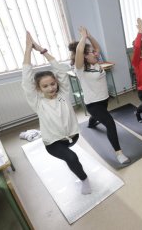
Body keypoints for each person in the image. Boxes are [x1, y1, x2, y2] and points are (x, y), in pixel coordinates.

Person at [22, 32, 91, 195]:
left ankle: (73, 165)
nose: (51, 88)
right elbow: (26, 79)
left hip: (72, 136)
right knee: (72, 158)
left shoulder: (63, 94)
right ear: (39, 89)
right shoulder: (38, 102)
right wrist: (28, 50)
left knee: (69, 158)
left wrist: (41, 50)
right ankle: (85, 180)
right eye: (45, 86)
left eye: (52, 84)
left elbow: (60, 70)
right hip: (53, 143)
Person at [68, 27, 130, 164]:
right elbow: (79, 50)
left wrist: (89, 36)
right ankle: (119, 154)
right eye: (91, 53)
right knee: (110, 123)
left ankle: (91, 122)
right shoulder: (80, 69)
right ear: (84, 56)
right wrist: (83, 37)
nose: (95, 54)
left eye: (94, 52)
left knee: (98, 116)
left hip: (104, 100)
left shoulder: (96, 64)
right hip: (93, 104)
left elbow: (98, 47)